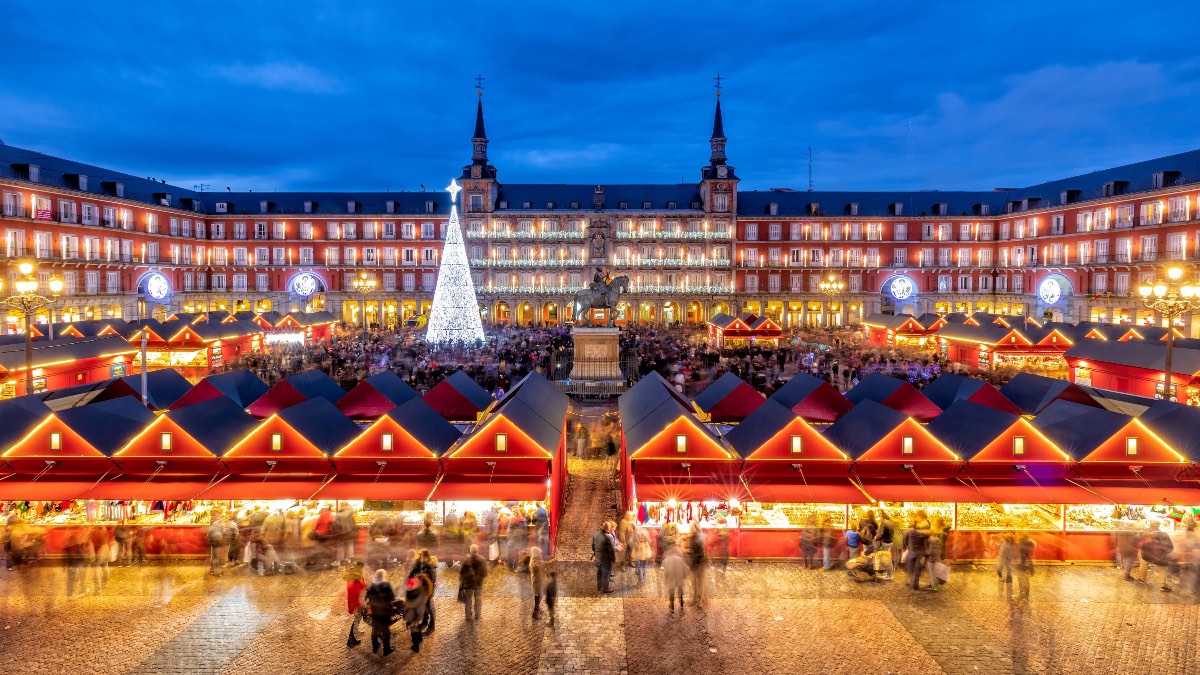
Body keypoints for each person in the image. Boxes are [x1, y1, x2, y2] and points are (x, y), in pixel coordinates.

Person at [365, 569, 396, 656]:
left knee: (374, 630)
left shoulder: (371, 585)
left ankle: (375, 646)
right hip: (385, 612)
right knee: (385, 631)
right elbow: (392, 597)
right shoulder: (387, 584)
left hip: (375, 612)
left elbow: (366, 598)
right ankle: (386, 649)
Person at [408, 548, 438, 633]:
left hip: (428, 590)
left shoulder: (430, 566)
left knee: (430, 607)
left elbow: (431, 580)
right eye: (420, 556)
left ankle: (432, 626)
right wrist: (411, 578)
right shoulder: (420, 564)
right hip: (421, 590)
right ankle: (425, 622)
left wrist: (421, 577)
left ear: (426, 557)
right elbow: (413, 572)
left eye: (422, 556)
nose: (420, 557)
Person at [1139, 521, 1175, 592]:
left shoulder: (1145, 533)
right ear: (1158, 525)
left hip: (1147, 555)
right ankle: (1163, 585)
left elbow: (1141, 544)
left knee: (1144, 563)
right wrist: (1167, 552)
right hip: (1159, 555)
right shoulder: (1164, 535)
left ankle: (1141, 578)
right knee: (1162, 569)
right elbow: (1170, 546)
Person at [402, 574, 433, 654]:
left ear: (421, 581)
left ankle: (415, 647)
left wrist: (408, 597)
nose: (415, 581)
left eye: (417, 580)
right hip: (419, 611)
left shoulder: (420, 590)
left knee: (413, 628)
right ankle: (419, 639)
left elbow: (413, 603)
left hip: (414, 612)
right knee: (416, 625)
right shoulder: (424, 589)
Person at [460, 543, 487, 621]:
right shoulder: (482, 560)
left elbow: (462, 573)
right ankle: (477, 615)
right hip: (478, 584)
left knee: (468, 600)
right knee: (478, 599)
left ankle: (468, 616)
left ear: (470, 551)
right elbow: (485, 573)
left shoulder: (465, 560)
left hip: (468, 585)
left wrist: (462, 582)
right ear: (477, 551)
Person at [344, 562, 367, 647]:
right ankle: (351, 639)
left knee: (358, 618)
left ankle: (355, 631)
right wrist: (358, 605)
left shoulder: (357, 576)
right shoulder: (353, 582)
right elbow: (352, 595)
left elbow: (362, 585)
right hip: (355, 604)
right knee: (356, 619)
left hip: (358, 602)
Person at [662, 545, 688, 615]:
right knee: (680, 592)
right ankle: (681, 605)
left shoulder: (666, 561)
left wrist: (666, 579)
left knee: (671, 593)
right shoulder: (680, 559)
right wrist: (684, 577)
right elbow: (685, 569)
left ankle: (672, 607)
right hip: (679, 578)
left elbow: (665, 571)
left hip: (671, 579)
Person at [592, 522, 616, 593]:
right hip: (606, 559)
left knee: (599, 571)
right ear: (608, 529)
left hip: (597, 557)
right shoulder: (608, 537)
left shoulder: (595, 534)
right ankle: (605, 589)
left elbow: (593, 546)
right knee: (606, 573)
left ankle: (599, 585)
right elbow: (611, 550)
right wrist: (613, 559)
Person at [689, 524, 707, 607]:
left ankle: (699, 600)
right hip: (694, 562)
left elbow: (702, 551)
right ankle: (695, 598)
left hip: (700, 562)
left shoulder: (699, 537)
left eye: (691, 528)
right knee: (694, 582)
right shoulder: (692, 537)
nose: (690, 530)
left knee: (699, 582)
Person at [529, 546, 546, 621]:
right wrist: (553, 561)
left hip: (540, 580)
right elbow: (542, 564)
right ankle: (535, 613)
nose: (540, 554)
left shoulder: (536, 559)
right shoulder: (534, 563)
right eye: (539, 553)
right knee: (538, 596)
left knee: (540, 595)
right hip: (536, 582)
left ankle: (537, 608)